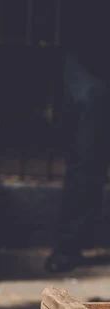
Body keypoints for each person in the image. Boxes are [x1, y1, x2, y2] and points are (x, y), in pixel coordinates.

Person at [46, 6, 110, 272]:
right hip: (91, 58)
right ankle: (68, 245)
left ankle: (70, 244)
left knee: (87, 158)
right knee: (86, 157)